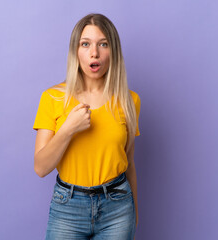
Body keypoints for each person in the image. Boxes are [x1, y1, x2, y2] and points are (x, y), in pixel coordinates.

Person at [33, 13, 141, 240]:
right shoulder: (53, 98)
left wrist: (135, 213)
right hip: (68, 208)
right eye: (86, 44)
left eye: (103, 44)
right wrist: (68, 129)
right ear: (76, 51)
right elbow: (41, 167)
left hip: (118, 208)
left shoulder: (129, 101)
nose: (95, 53)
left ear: (113, 52)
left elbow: (129, 161)